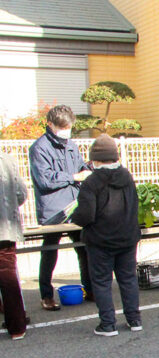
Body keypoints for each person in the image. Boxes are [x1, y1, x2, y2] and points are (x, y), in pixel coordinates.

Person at [70, 135, 141, 337]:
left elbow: (85, 214)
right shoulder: (127, 176)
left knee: (101, 281)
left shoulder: (92, 182)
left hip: (100, 240)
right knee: (128, 279)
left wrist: (73, 217)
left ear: (95, 159)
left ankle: (108, 324)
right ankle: (134, 319)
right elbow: (134, 205)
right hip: (127, 237)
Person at [29, 104, 93, 311]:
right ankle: (46, 295)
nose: (66, 131)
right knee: (50, 251)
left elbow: (80, 166)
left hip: (75, 205)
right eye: (62, 127)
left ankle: (90, 288)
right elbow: (44, 180)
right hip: (53, 209)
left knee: (83, 248)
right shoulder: (39, 148)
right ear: (50, 125)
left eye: (69, 127)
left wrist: (88, 169)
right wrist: (73, 177)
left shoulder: (71, 145)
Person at [0, 151, 28, 340]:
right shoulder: (7, 159)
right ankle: (17, 327)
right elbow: (21, 194)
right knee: (8, 277)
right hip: (6, 228)